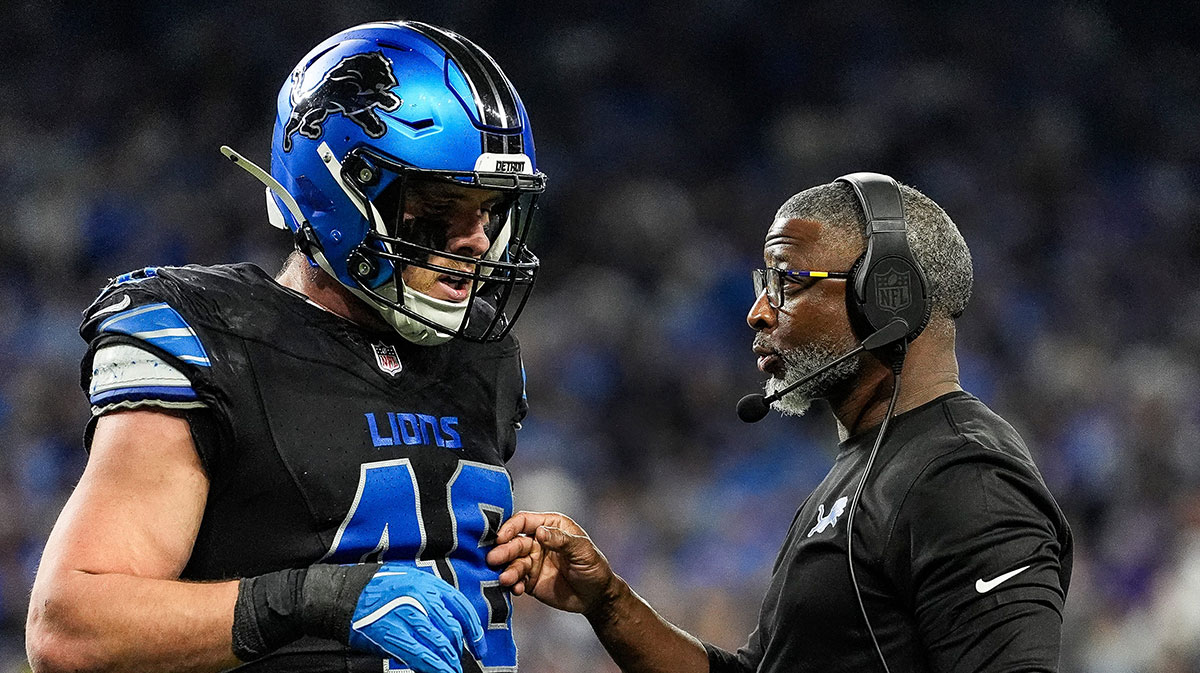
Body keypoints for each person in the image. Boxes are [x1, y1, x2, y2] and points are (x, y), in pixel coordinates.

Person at [26, 20, 546, 673]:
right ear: (340, 190)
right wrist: (311, 599)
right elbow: (69, 629)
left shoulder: (485, 355)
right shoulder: (211, 337)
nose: (476, 241)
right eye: (442, 207)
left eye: (490, 210)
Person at [487, 175, 1073, 672]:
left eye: (786, 282)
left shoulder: (964, 477)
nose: (758, 311)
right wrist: (609, 602)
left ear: (886, 297)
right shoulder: (868, 471)